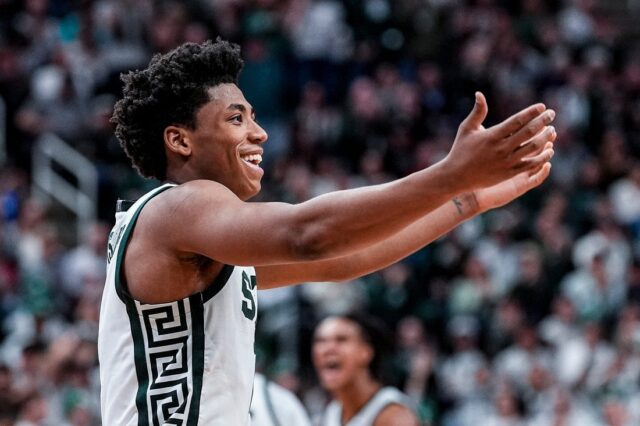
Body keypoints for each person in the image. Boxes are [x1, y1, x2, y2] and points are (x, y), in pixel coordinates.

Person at [98, 38, 556, 425]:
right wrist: (448, 175)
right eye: (237, 119)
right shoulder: (180, 206)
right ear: (180, 140)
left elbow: (342, 260)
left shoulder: (197, 242)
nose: (259, 133)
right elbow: (309, 234)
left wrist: (465, 200)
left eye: (254, 116)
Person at [313, 313, 418, 425]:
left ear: (366, 352)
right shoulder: (331, 413)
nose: (328, 349)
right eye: (321, 341)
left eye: (341, 340)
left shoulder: (394, 414)